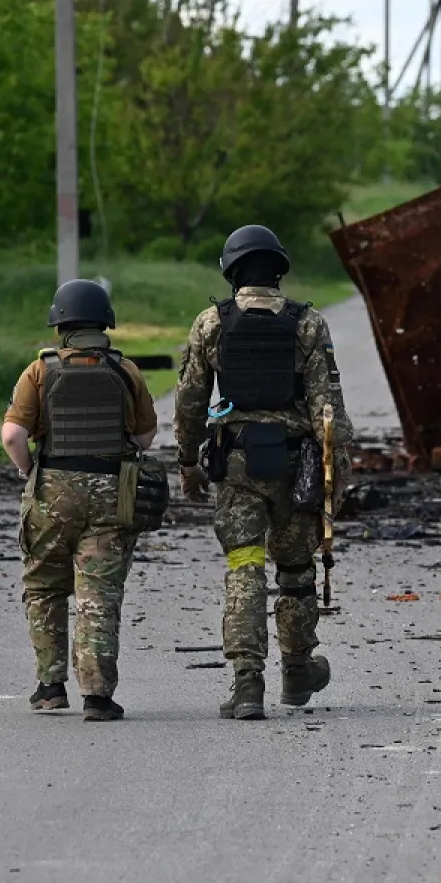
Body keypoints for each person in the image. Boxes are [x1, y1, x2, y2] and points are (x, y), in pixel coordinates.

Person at [175, 225, 353, 721]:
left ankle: (247, 683)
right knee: (296, 571)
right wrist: (337, 475)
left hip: (236, 466)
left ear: (231, 271)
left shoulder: (211, 323)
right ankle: (297, 670)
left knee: (245, 565)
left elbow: (189, 401)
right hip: (296, 466)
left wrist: (187, 462)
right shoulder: (308, 324)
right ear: (278, 270)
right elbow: (328, 412)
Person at [0, 279, 158, 722]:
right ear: (105, 321)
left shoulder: (40, 371)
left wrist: (27, 470)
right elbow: (145, 436)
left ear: (60, 324)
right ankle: (97, 695)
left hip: (53, 493)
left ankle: (50, 687)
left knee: (45, 586)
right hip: (112, 493)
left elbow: (13, 435)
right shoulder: (126, 370)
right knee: (99, 594)